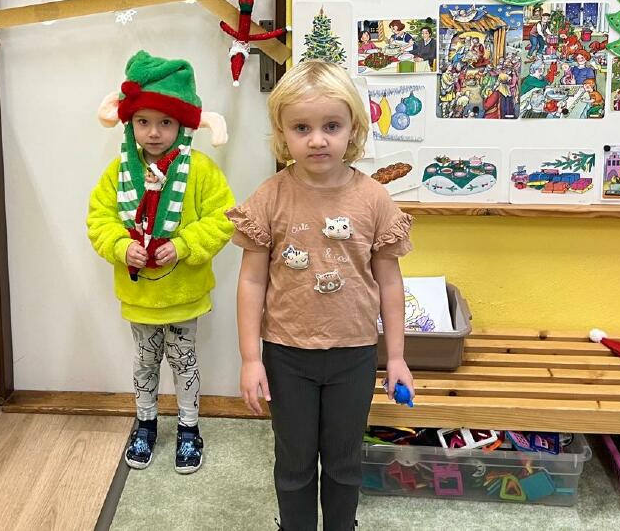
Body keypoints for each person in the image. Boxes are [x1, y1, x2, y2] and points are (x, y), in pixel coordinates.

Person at [230, 60, 414, 530]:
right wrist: (250, 359)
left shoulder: (374, 199)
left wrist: (396, 357)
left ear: (353, 128)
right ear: (282, 132)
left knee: (344, 462)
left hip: (354, 355)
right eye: (302, 128)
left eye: (331, 126)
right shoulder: (270, 197)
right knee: (293, 464)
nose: (317, 140)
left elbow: (390, 282)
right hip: (286, 355)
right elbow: (251, 282)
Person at [87, 51, 235, 475]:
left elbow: (224, 218)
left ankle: (189, 428)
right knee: (145, 362)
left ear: (183, 124)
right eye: (143, 121)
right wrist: (121, 246)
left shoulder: (201, 171)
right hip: (140, 297)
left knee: (184, 362)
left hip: (184, 296)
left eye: (165, 122)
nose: (154, 133)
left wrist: (184, 244)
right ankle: (146, 423)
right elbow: (98, 219)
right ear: (129, 123)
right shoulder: (117, 173)